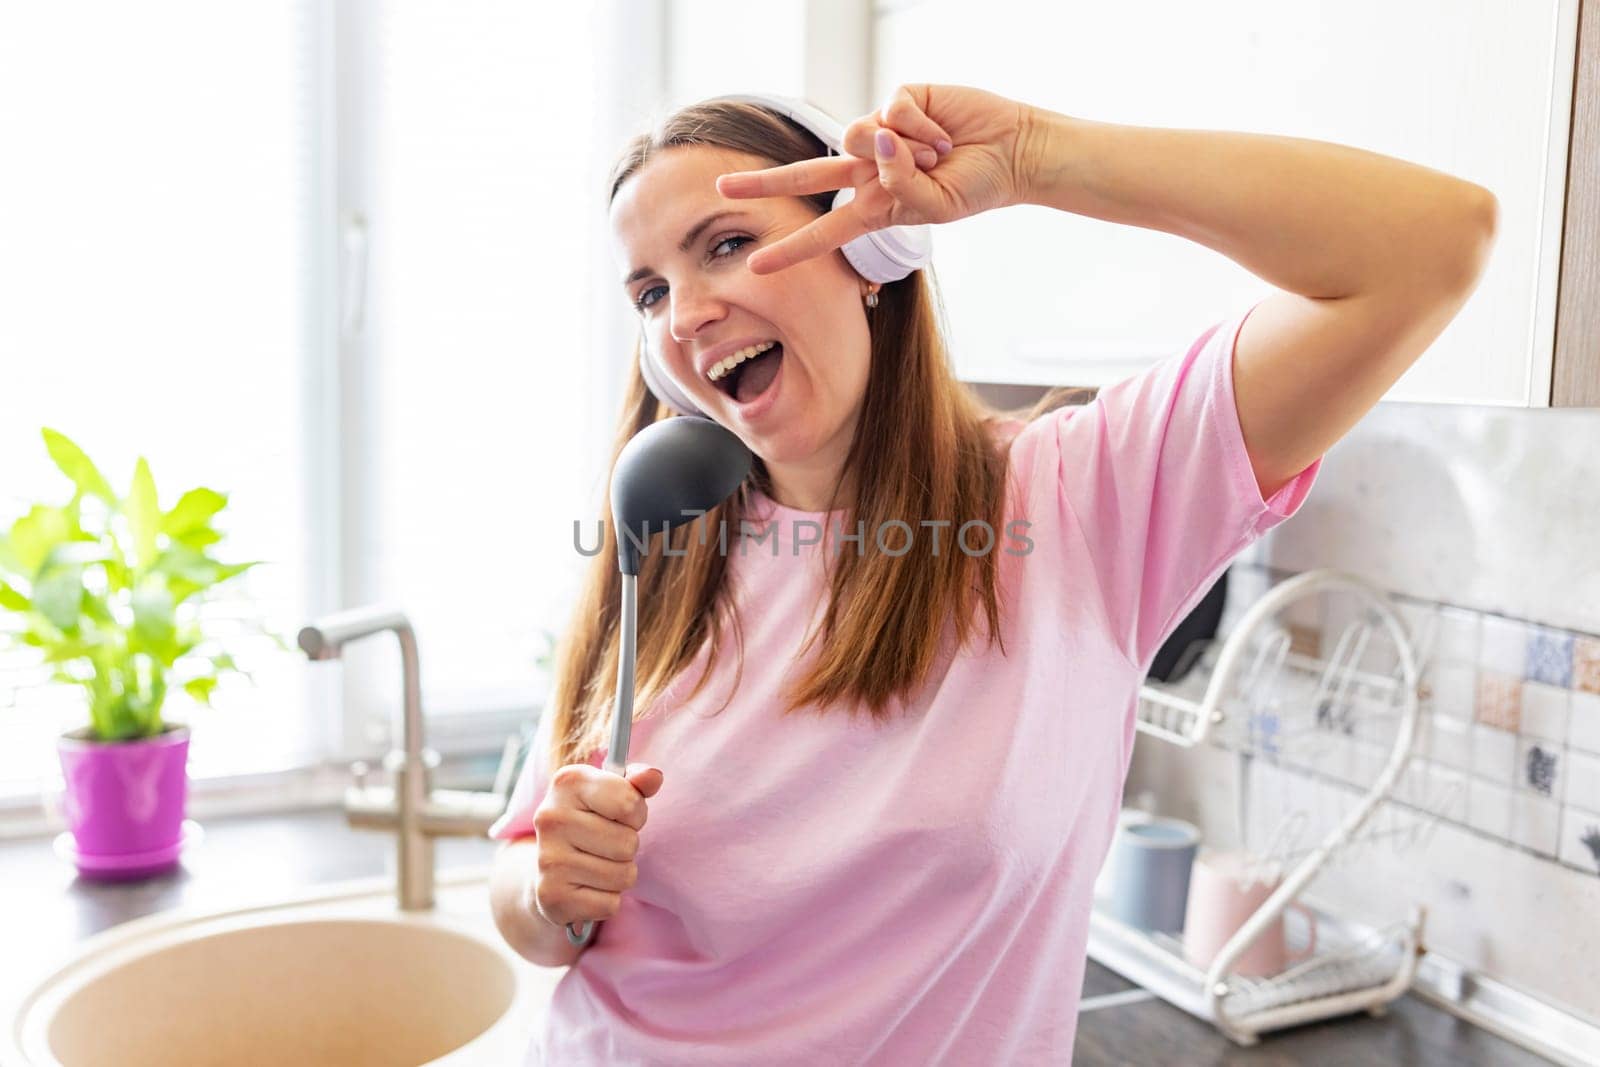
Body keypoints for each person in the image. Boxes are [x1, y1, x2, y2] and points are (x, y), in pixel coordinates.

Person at [487, 84, 1497, 1064]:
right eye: (650, 290)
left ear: (868, 252)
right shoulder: (665, 531)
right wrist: (546, 888)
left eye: (728, 243)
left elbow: (1432, 242)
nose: (686, 314)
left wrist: (1038, 157)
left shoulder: (1076, 500)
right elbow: (527, 880)